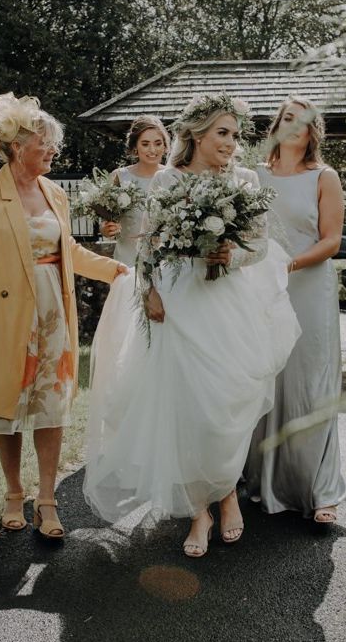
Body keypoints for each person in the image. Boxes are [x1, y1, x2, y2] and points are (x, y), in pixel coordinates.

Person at [83, 94, 300, 557]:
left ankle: (226, 494)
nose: (230, 142)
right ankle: (201, 510)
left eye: (236, 135)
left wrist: (232, 254)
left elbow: (259, 246)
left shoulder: (244, 179)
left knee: (226, 402)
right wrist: (149, 292)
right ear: (197, 134)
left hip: (229, 304)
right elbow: (148, 243)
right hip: (178, 301)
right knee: (188, 405)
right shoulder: (167, 178)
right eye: (222, 132)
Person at [0, 93, 128, 539]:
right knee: (8, 403)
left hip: (53, 313)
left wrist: (112, 270)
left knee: (50, 404)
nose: (54, 151)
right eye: (47, 143)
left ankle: (47, 499)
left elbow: (70, 252)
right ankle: (12, 492)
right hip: (4, 315)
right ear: (20, 145)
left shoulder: (55, 193)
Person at [244, 96, 346, 523]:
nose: (293, 127)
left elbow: (331, 240)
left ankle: (320, 491)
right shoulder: (253, 177)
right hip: (262, 290)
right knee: (266, 378)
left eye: (302, 122)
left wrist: (290, 263)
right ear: (277, 126)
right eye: (287, 118)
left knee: (309, 383)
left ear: (311, 133)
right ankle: (260, 479)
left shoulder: (324, 177)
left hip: (309, 289)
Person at [100, 115, 169, 265]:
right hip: (128, 260)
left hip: (166, 261)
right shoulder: (119, 176)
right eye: (145, 144)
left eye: (158, 143)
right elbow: (105, 221)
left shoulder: (172, 177)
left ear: (165, 145)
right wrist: (106, 229)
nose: (152, 150)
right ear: (135, 147)